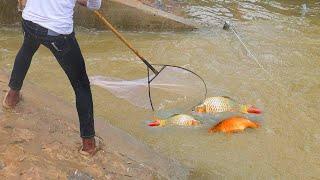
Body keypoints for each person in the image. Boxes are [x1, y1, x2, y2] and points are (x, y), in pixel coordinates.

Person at [2, 0, 102, 155]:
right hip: (57, 31)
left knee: (27, 49)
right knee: (81, 84)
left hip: (30, 21)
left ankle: (11, 98)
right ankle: (88, 145)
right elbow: (94, 4)